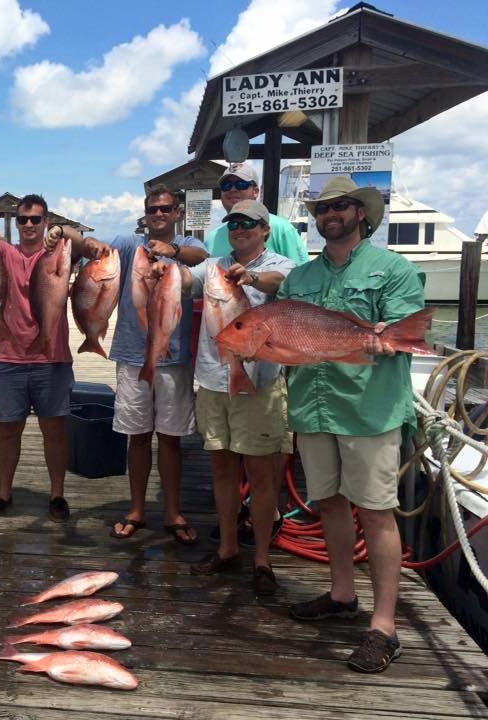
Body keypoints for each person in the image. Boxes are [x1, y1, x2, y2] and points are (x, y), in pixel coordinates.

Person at [279, 176, 424, 673]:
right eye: (321, 209)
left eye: (340, 207)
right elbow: (285, 338)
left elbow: (405, 332)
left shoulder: (394, 270)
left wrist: (386, 337)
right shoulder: (298, 278)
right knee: (329, 503)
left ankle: (384, 627)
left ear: (361, 213)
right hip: (314, 408)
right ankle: (343, 595)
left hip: (370, 411)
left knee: (378, 512)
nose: (329, 216)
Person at [65, 185, 208, 542]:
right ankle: (137, 509)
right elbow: (76, 238)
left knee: (171, 439)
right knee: (138, 437)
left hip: (173, 359)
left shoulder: (192, 247)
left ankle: (174, 512)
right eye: (152, 210)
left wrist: (172, 251)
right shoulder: (129, 247)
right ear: (145, 215)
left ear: (177, 213)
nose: (158, 215)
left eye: (165, 209)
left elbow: (202, 261)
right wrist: (72, 237)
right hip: (131, 356)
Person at [186, 200, 295, 595]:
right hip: (214, 384)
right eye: (233, 222)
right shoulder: (212, 266)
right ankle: (229, 547)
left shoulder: (280, 266)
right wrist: (161, 262)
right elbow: (185, 280)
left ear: (265, 229)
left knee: (263, 476)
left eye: (249, 223)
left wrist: (249, 278)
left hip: (260, 385)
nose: (240, 228)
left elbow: (278, 285)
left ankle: (262, 558)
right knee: (221, 470)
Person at [0, 194, 75, 522]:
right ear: (15, 223)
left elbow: (87, 245)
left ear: (46, 221)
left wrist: (62, 231)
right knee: (8, 430)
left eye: (36, 219)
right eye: (23, 219)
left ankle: (57, 493)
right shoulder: (5, 252)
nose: (29, 225)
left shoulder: (58, 251)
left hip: (52, 357)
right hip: (7, 357)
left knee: (55, 430)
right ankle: (4, 492)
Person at [204, 163, 308, 265]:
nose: (232, 189)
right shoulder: (212, 238)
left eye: (241, 184)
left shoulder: (282, 228)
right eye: (226, 186)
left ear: (256, 191)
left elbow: (301, 275)